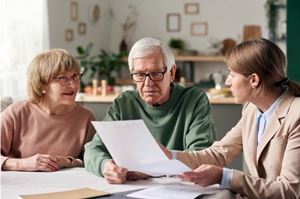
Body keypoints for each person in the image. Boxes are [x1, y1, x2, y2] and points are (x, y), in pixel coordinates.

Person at [160, 38, 300, 199]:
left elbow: (290, 191)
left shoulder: (296, 115)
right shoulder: (251, 109)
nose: (227, 82)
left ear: (254, 80)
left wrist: (226, 177)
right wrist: (170, 156)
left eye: (232, 74)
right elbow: (219, 153)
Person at [84, 37, 216, 184]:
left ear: (172, 73)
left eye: (156, 74)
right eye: (140, 75)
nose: (148, 83)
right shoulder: (124, 103)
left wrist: (150, 170)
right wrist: (105, 166)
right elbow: (92, 149)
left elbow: (202, 157)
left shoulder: (193, 99)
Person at [1, 49, 96, 172]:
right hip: (20, 186)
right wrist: (24, 164)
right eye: (63, 78)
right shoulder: (17, 113)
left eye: (75, 76)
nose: (73, 85)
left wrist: (67, 161)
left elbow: (93, 160)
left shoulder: (85, 117)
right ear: (42, 84)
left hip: (67, 187)